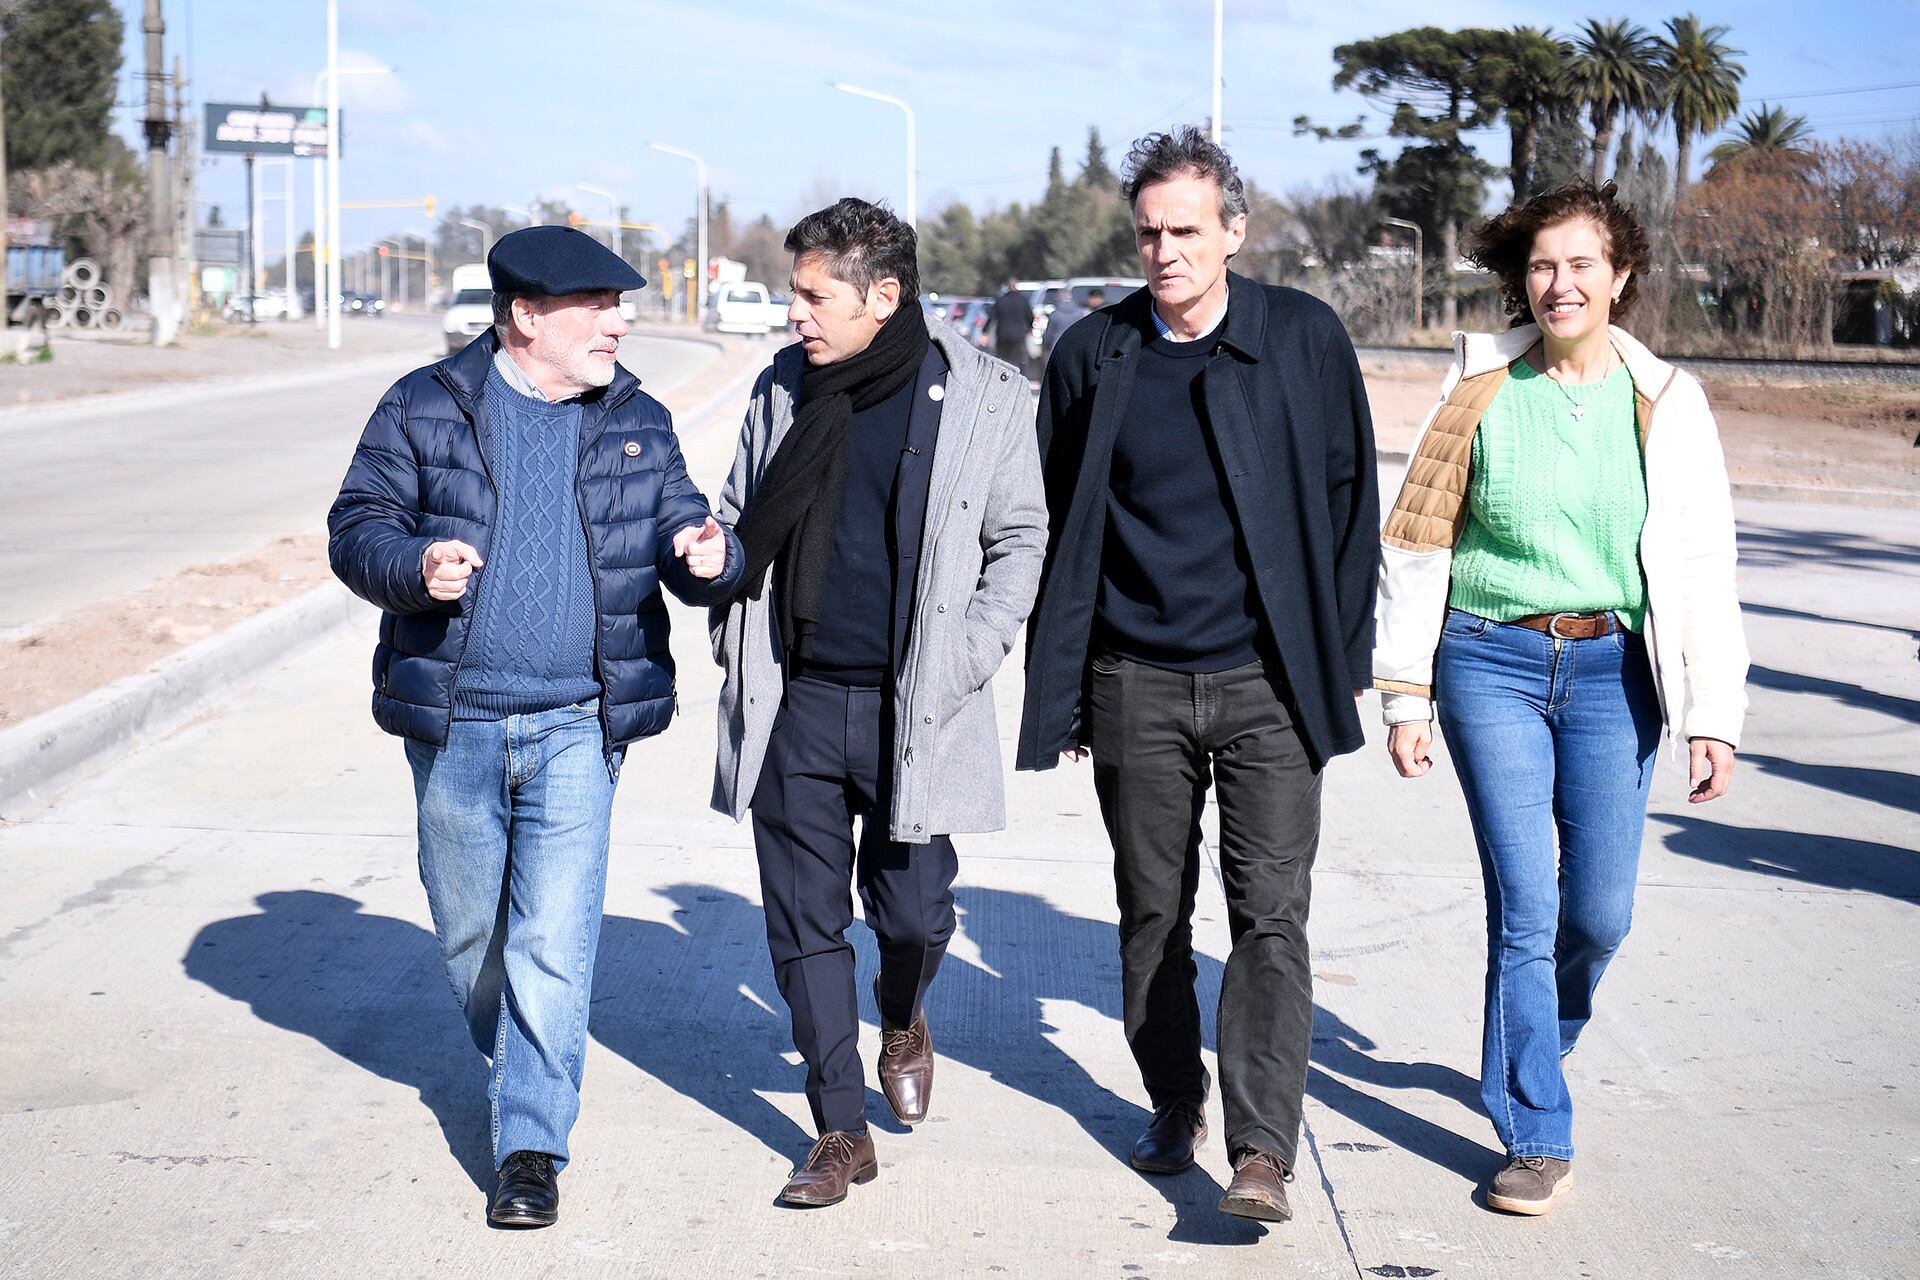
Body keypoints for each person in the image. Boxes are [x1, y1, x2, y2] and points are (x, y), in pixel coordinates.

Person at [327, 225, 740, 1227]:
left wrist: (709, 554)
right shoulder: (426, 405)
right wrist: (415, 565)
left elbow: (688, 530)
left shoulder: (636, 418)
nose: (619, 322)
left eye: (619, 305)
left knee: (553, 939)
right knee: (475, 939)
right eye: (596, 305)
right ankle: (520, 1053)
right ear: (524, 315)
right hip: (456, 722)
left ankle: (529, 1144)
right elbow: (357, 526)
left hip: (577, 725)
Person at [1016, 127, 1379, 1224]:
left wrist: (1337, 660)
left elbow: (1351, 505)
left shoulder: (1302, 338)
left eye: (1186, 229)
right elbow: (1056, 524)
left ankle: (1262, 1147)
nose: (1165, 251)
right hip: (1135, 680)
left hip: (1270, 683)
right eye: (1148, 232)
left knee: (1270, 916)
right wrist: (1066, 686)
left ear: (1234, 232)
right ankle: (1175, 1098)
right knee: (1150, 914)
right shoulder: (1093, 353)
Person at [1373, 179, 1749, 1215]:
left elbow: (1703, 564)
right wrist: (1405, 694)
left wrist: (1713, 714)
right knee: (1527, 906)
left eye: (1582, 263)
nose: (1560, 283)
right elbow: (1416, 541)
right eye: (1542, 265)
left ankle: (1539, 1031)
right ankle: (1535, 1126)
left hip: (1614, 672)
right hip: (1487, 659)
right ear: (1520, 280)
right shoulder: (1480, 386)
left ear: (1620, 276)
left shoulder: (1666, 399)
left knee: (1599, 914)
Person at [709, 198, 1047, 1208]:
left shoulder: (986, 396)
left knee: (913, 913)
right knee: (803, 923)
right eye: (795, 294)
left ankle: (903, 1013)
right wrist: (717, 588)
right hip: (798, 699)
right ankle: (839, 1127)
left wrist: (969, 658)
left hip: (917, 710)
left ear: (883, 296)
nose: (796, 314)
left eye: (816, 296)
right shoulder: (782, 387)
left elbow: (1019, 539)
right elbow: (737, 515)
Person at [983, 276, 1034, 374]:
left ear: (1007, 287)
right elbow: (1030, 317)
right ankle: (1018, 378)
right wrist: (1029, 328)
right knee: (1019, 360)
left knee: (1003, 361)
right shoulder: (1023, 301)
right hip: (1018, 336)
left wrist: (985, 331)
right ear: (1016, 286)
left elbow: (992, 318)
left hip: (1003, 335)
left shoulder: (1001, 300)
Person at [1041, 286, 1106, 362]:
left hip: (1057, 346)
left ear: (1058, 298)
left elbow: (1049, 334)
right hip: (1076, 347)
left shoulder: (1055, 314)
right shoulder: (1080, 312)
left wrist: (1045, 345)